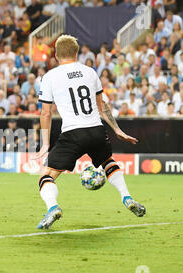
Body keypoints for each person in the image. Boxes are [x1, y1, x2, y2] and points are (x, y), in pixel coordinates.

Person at [34, 35, 146, 230]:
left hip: (72, 133)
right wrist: (117, 129)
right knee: (108, 162)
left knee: (47, 175)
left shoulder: (50, 77)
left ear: (56, 54)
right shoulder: (90, 72)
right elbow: (102, 106)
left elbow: (46, 113)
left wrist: (45, 143)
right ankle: (126, 197)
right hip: (96, 129)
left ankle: (53, 208)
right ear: (76, 53)